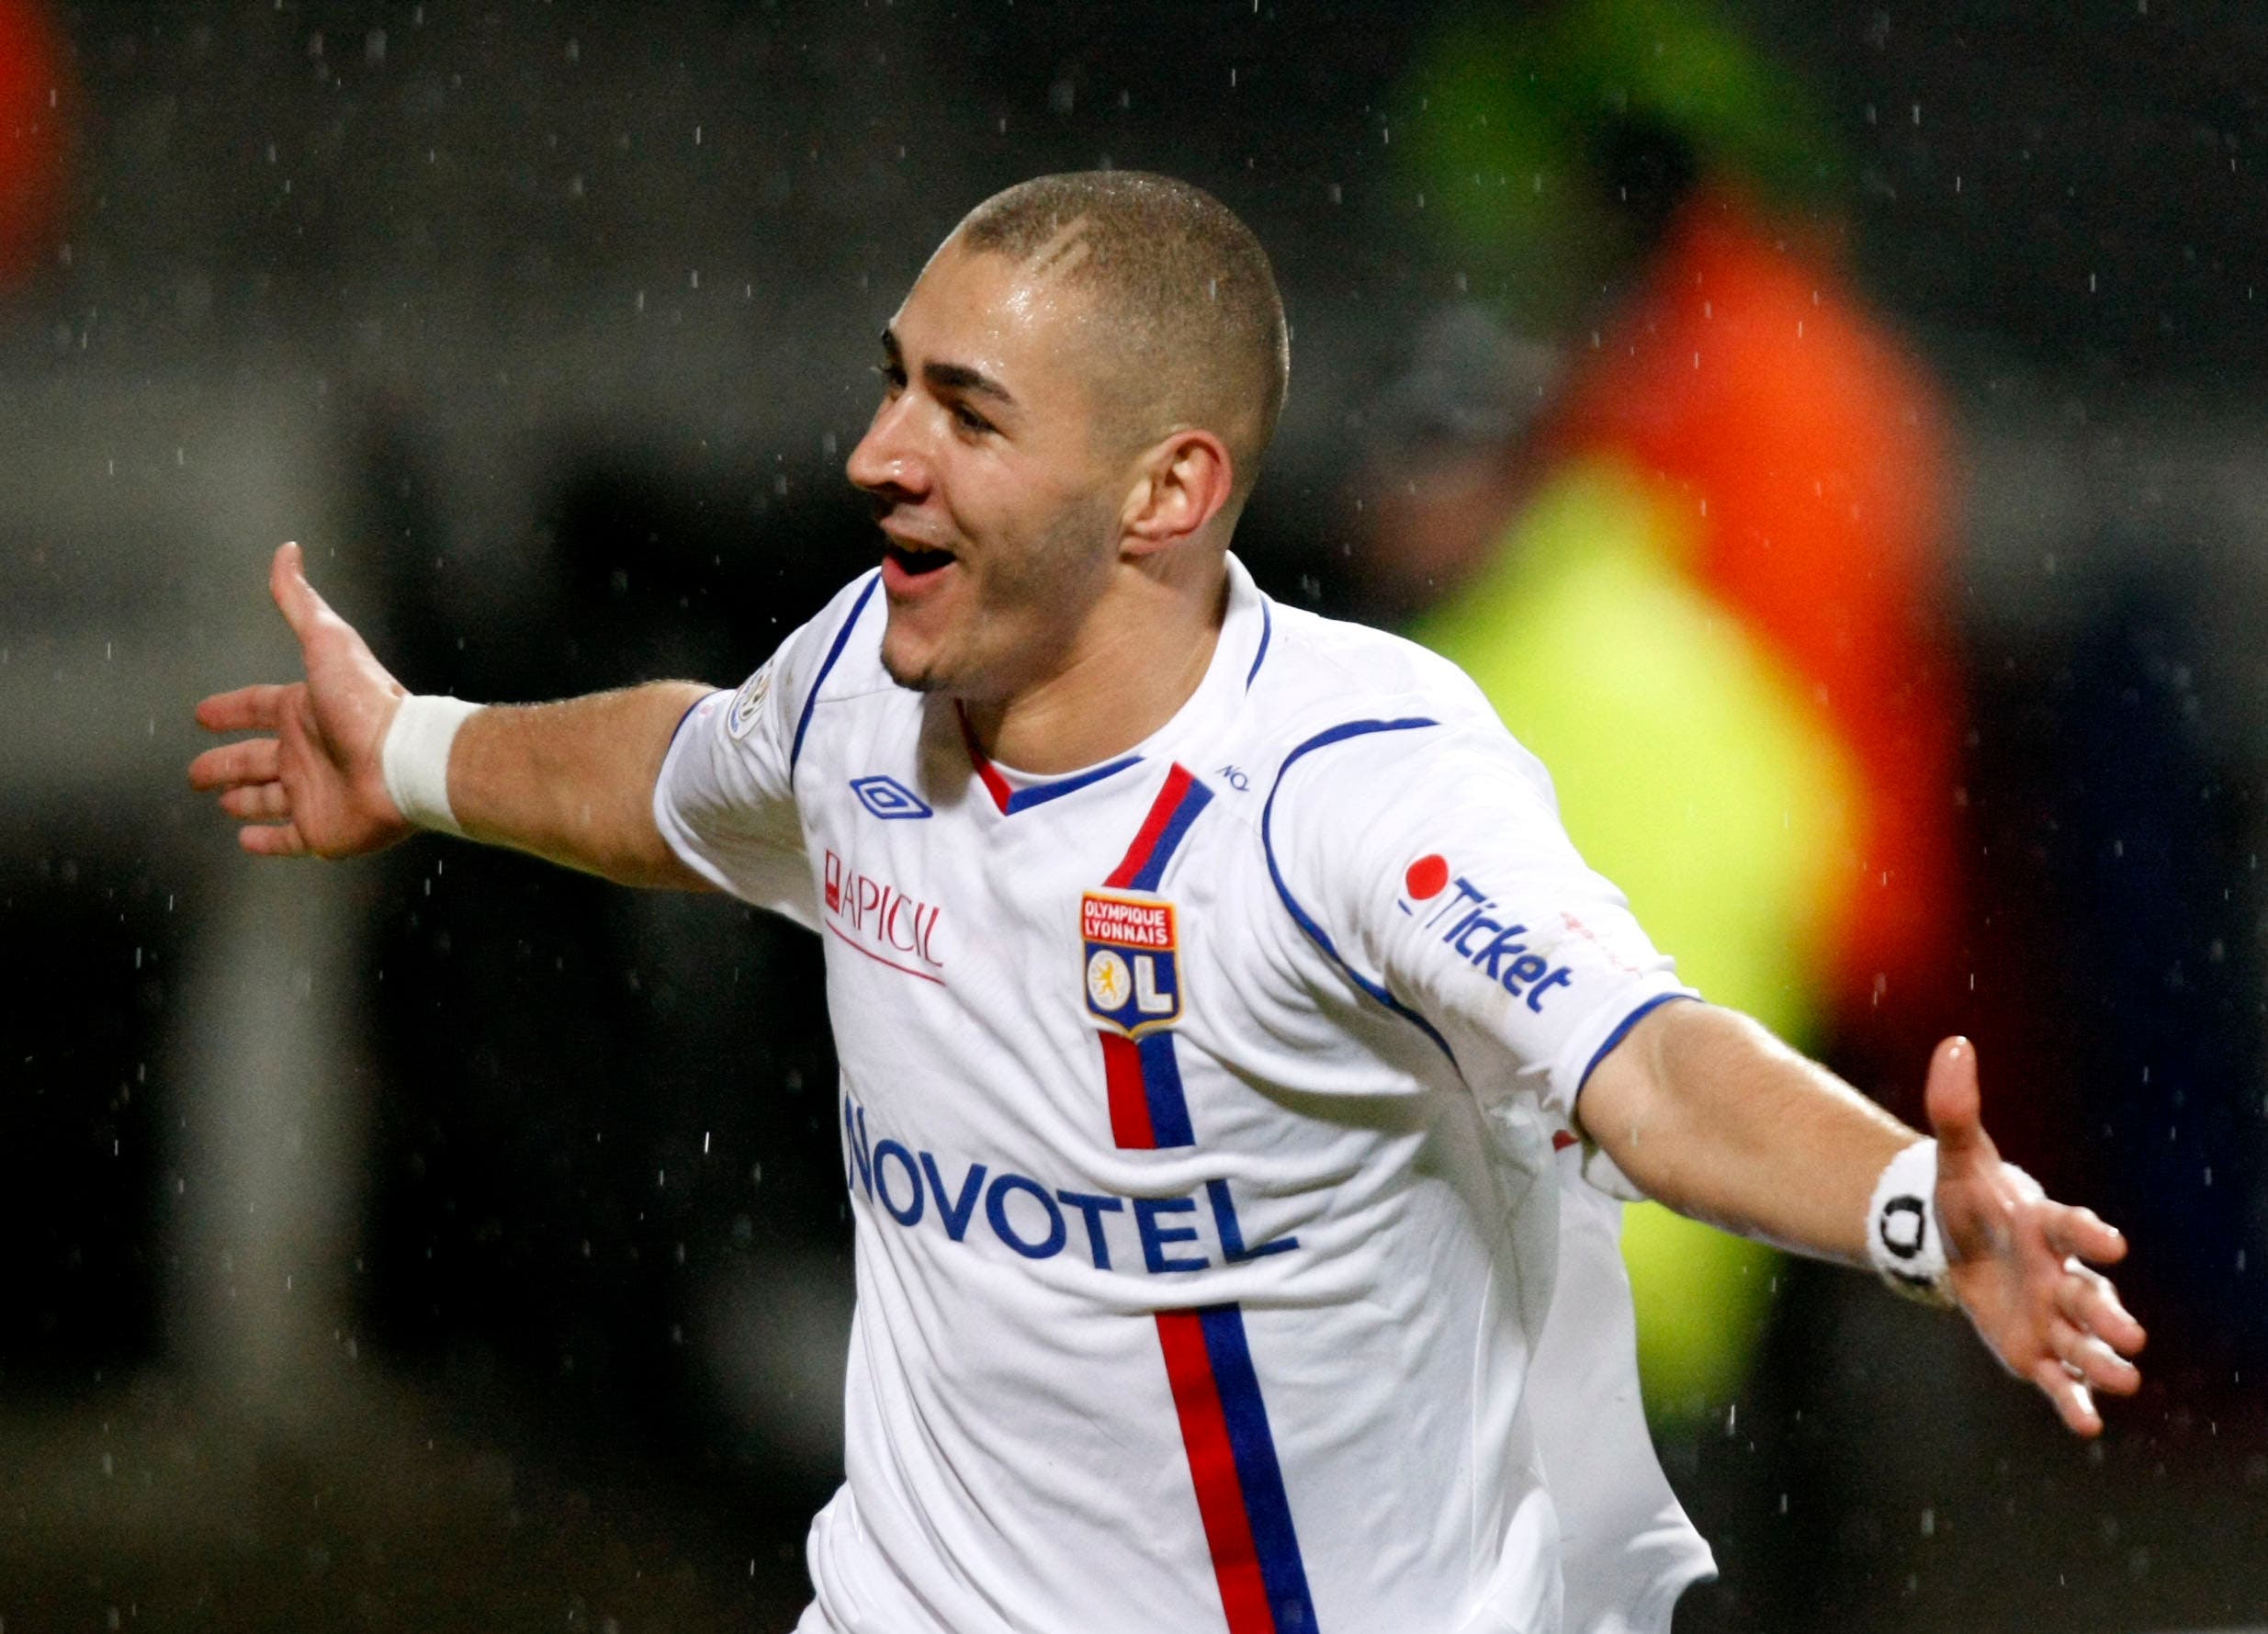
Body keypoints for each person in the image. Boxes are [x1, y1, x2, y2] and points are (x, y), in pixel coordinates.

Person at [189, 172, 2143, 1634]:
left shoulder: (1347, 782)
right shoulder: (860, 683)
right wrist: (421, 753)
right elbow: (680, 770)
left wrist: (1907, 1203)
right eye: (891, 388)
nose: (878, 455)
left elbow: (1638, 1058)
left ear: (1163, 490)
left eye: (964, 412)